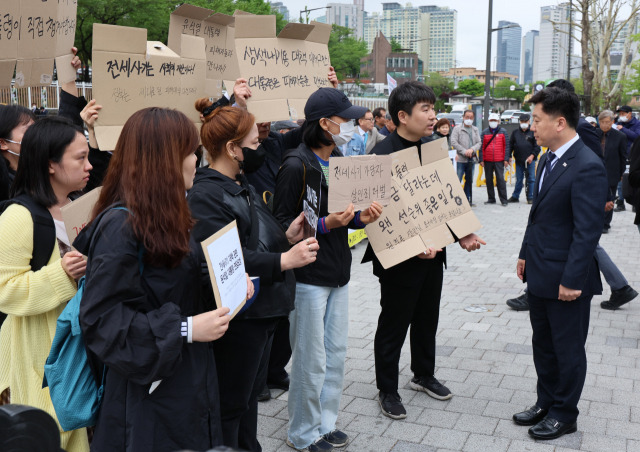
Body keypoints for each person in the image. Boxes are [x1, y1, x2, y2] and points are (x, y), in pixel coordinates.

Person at [76, 108, 236, 452]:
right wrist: (186, 329)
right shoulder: (120, 228)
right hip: (145, 392)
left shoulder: (169, 214)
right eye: (190, 153)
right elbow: (101, 320)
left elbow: (175, 285)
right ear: (166, 161)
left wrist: (229, 285)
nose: (197, 161)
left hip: (185, 378)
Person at [187, 105, 318, 451]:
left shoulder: (236, 182)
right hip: (240, 319)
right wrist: (284, 260)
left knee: (247, 402)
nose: (260, 148)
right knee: (231, 405)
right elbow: (222, 259)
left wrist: (285, 238)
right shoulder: (206, 195)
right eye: (253, 142)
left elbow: (249, 238)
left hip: (260, 313)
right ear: (232, 148)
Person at [361, 81, 485, 421]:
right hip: (399, 259)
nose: (433, 116)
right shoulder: (381, 156)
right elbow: (375, 219)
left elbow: (446, 197)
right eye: (425, 110)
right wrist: (414, 248)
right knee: (394, 322)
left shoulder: (433, 147)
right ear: (402, 116)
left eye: (433, 108)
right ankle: (387, 388)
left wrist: (463, 233)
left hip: (434, 254)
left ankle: (423, 373)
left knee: (427, 317)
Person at [273, 88, 382, 452]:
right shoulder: (295, 165)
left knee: (334, 353)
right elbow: (280, 229)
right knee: (309, 359)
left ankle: (325, 423)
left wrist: (359, 220)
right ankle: (302, 433)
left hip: (339, 272)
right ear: (325, 123)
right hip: (306, 276)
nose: (351, 127)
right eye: (346, 120)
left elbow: (342, 219)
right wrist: (325, 224)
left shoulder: (338, 159)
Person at [513, 87, 607, 440]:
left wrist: (572, 280)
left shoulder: (587, 165)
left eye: (537, 120)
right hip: (539, 269)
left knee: (567, 349)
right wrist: (524, 253)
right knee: (544, 344)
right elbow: (538, 216)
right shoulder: (545, 158)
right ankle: (546, 402)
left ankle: (565, 413)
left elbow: (587, 231)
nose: (532, 127)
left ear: (560, 122)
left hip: (566, 279)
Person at [0, 116, 93, 452]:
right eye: (80, 158)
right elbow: (5, 292)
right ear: (50, 164)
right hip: (39, 357)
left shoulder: (80, 207)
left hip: (77, 351)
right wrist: (62, 275)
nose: (89, 165)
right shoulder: (18, 217)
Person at [598, 110, 627, 233]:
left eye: (607, 122)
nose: (604, 125)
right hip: (595, 172)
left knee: (609, 199)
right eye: (602, 122)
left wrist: (621, 173)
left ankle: (605, 224)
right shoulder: (594, 134)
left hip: (612, 171)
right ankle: (596, 222)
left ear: (612, 122)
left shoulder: (620, 136)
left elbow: (623, 157)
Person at [508, 114, 540, 204]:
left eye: (525, 122)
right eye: (522, 122)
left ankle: (530, 197)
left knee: (531, 179)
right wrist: (509, 156)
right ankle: (515, 196)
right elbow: (510, 145)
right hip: (518, 160)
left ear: (529, 122)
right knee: (519, 179)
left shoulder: (533, 132)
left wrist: (532, 156)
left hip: (530, 160)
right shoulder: (515, 133)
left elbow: (537, 146)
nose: (524, 123)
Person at [451, 110, 481, 207]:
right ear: (463, 117)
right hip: (460, 159)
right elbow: (454, 142)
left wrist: (472, 150)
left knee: (469, 180)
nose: (469, 119)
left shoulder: (475, 129)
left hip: (471, 160)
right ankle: (453, 200)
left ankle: (466, 198)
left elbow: (479, 143)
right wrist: (464, 151)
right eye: (467, 117)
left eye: (471, 117)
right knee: (457, 180)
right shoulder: (457, 129)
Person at [479, 113, 510, 206]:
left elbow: (507, 146)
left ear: (498, 121)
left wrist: (506, 159)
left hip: (499, 160)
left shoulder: (503, 131)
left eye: (495, 121)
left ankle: (504, 200)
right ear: (488, 121)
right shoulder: (484, 132)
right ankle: (491, 198)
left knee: (500, 180)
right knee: (489, 180)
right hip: (487, 160)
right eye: (491, 121)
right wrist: (481, 159)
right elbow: (481, 147)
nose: (493, 122)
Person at [614, 105, 640, 211]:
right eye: (620, 114)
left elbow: (637, 137)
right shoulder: (619, 123)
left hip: (634, 157)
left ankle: (635, 202)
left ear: (629, 114)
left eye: (623, 114)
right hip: (621, 155)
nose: (621, 116)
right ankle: (621, 202)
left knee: (633, 179)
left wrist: (623, 129)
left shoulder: (637, 124)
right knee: (621, 181)